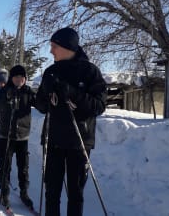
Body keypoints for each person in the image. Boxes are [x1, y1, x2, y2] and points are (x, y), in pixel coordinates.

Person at [35, 27, 107, 216]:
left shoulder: (90, 71)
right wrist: (45, 91)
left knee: (75, 194)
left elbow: (99, 106)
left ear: (66, 47)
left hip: (79, 141)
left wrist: (74, 93)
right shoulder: (50, 71)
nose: (51, 51)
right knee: (52, 192)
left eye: (54, 46)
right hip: (54, 140)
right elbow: (41, 106)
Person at [0, 65, 38, 210]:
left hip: (22, 136)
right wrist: (6, 100)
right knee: (5, 166)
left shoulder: (28, 92)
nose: (19, 80)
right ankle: (5, 193)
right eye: (16, 77)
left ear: (25, 79)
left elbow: (41, 105)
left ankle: (24, 193)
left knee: (23, 168)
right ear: (12, 78)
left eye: (22, 77)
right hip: (6, 135)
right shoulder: (5, 90)